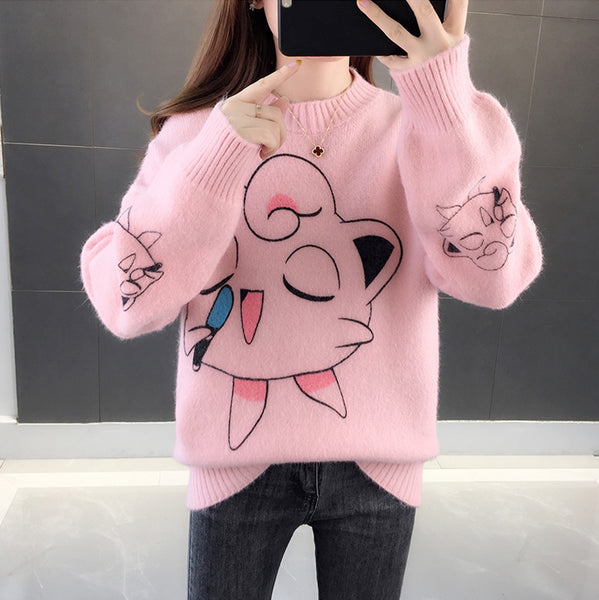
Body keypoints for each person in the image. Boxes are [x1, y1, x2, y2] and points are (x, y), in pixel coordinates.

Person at [79, 0, 543, 597]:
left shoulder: (424, 127)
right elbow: (125, 301)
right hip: (234, 466)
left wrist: (445, 104)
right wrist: (213, 161)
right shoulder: (200, 134)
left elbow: (493, 280)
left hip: (379, 464)